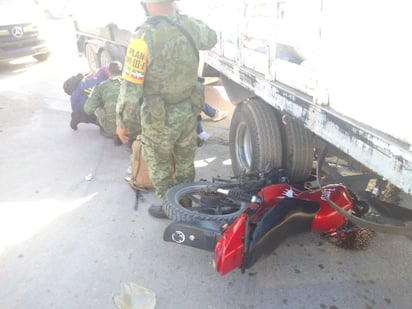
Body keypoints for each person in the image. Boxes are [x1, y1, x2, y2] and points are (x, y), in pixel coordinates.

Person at [116, 0, 217, 218]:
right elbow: (211, 37)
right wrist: (182, 17)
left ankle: (171, 208)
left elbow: (131, 87)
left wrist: (123, 123)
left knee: (159, 164)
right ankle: (185, 202)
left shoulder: (143, 37)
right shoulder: (189, 24)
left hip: (158, 118)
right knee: (184, 162)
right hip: (188, 111)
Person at [84, 61, 141, 141]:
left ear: (109, 72)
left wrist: (101, 104)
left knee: (97, 107)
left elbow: (88, 108)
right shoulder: (133, 84)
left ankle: (115, 133)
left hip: (112, 128)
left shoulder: (101, 86)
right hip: (136, 128)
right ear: (123, 71)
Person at [63, 66, 110, 130]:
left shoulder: (88, 81)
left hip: (87, 101)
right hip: (87, 108)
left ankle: (78, 117)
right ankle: (100, 123)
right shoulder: (86, 80)